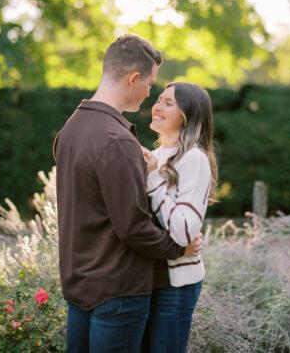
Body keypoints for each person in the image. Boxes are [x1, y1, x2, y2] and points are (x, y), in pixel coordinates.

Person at [53, 34, 202, 353]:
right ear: (134, 78)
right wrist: (178, 248)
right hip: (118, 290)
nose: (151, 93)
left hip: (78, 283)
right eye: (150, 83)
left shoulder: (70, 129)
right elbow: (132, 226)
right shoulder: (117, 140)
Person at [140, 82, 218, 353]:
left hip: (176, 285)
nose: (157, 106)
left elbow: (185, 231)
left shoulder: (194, 159)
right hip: (148, 279)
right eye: (158, 100)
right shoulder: (155, 156)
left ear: (188, 114)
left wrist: (152, 178)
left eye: (168, 103)